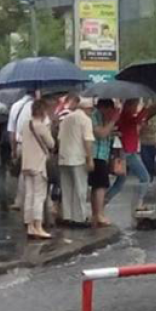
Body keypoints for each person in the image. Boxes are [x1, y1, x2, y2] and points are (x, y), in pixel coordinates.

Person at [106, 99, 152, 212]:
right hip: (129, 152)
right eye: (135, 105)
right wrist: (146, 108)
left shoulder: (123, 116)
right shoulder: (126, 116)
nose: (136, 108)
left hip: (125, 152)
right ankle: (138, 203)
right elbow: (138, 119)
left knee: (120, 182)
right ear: (130, 106)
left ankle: (103, 201)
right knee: (145, 178)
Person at [58, 95, 95, 225]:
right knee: (80, 188)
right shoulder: (86, 120)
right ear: (88, 108)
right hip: (78, 157)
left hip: (63, 157)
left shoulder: (66, 118)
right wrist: (90, 159)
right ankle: (80, 218)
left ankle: (67, 216)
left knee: (67, 188)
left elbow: (59, 138)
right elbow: (88, 140)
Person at [22, 99, 55, 239]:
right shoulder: (41, 126)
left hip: (26, 164)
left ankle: (29, 225)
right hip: (38, 165)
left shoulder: (26, 124)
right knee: (39, 196)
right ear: (43, 111)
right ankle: (38, 226)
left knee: (29, 195)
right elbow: (51, 144)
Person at [89, 99, 120, 227]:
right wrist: (112, 121)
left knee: (97, 186)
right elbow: (100, 134)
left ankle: (96, 213)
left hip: (103, 154)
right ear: (104, 108)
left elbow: (106, 133)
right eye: (109, 111)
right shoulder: (94, 116)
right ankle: (99, 214)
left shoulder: (103, 118)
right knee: (101, 186)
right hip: (96, 154)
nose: (110, 114)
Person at [7, 91, 35, 210]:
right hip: (34, 145)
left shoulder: (16, 106)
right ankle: (32, 202)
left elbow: (11, 131)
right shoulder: (37, 106)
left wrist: (13, 149)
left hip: (19, 143)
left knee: (22, 173)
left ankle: (20, 201)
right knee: (33, 174)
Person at [140, 116, 156, 182]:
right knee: (145, 161)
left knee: (151, 163)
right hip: (144, 143)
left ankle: (150, 177)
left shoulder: (154, 120)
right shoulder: (142, 120)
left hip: (153, 143)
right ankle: (146, 178)